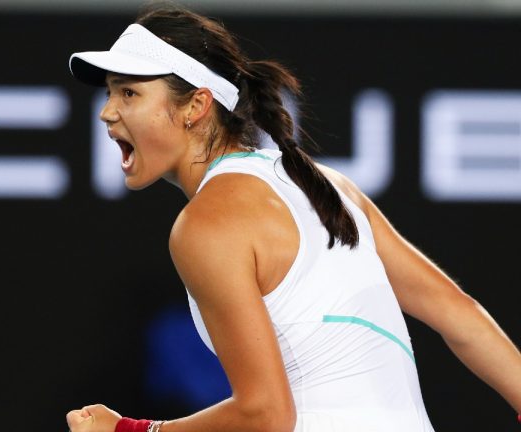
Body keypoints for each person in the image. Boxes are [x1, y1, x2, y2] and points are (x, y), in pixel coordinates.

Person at [65, 3, 521, 432]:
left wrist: (133, 428)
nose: (107, 112)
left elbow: (266, 414)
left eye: (129, 93)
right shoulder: (330, 186)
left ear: (196, 106)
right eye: (110, 92)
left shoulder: (206, 224)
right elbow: (459, 313)